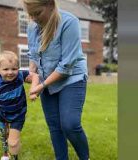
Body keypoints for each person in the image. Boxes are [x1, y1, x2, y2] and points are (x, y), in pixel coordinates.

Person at [23, 0, 90, 159]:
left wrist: (41, 85)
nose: (34, 18)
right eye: (30, 14)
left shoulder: (69, 22)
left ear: (50, 5)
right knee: (55, 126)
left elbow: (66, 67)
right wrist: (32, 78)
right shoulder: (33, 27)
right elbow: (33, 56)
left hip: (72, 78)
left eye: (37, 13)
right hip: (47, 80)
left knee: (70, 124)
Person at [0, 51, 39, 160]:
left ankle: (14, 156)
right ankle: (5, 154)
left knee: (12, 142)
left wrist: (33, 91)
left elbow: (35, 76)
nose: (10, 72)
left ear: (18, 68)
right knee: (4, 137)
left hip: (18, 115)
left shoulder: (20, 76)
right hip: (2, 116)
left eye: (14, 69)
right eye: (6, 69)